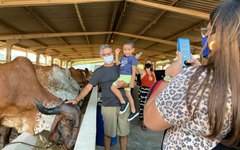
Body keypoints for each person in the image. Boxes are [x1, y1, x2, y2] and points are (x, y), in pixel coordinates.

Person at [144, 0, 240, 149]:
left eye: (208, 31)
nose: (205, 37)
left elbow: (150, 120)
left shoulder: (197, 80)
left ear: (219, 37)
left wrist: (169, 77)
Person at [66, 44, 130, 150]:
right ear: (101, 56)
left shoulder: (120, 67)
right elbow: (88, 87)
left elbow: (132, 83)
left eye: (109, 54)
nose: (108, 56)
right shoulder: (98, 72)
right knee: (108, 133)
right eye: (105, 54)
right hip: (108, 106)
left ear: (113, 54)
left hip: (123, 105)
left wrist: (125, 85)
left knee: (124, 133)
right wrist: (77, 99)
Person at [111, 40, 139, 121]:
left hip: (127, 76)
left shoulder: (133, 59)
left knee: (113, 87)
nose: (126, 51)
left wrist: (132, 81)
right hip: (122, 76)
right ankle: (134, 111)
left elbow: (134, 71)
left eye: (129, 50)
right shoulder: (123, 57)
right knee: (128, 94)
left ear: (133, 50)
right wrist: (116, 54)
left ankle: (123, 102)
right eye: (125, 49)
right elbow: (117, 63)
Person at [136, 59, 156, 130]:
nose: (148, 64)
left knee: (150, 107)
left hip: (151, 91)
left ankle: (148, 121)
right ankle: (143, 122)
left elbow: (155, 82)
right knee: (143, 106)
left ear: (152, 65)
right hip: (144, 91)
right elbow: (136, 66)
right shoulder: (143, 72)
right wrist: (135, 58)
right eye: (147, 63)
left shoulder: (153, 73)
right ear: (145, 64)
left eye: (150, 63)